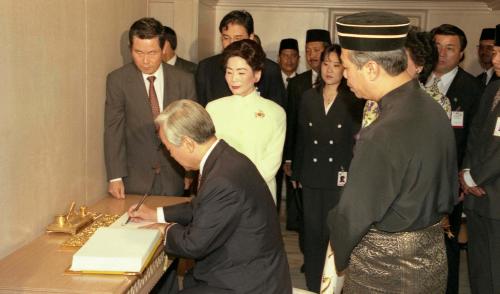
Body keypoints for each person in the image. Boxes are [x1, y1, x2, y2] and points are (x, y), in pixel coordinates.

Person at [328, 12, 458, 293]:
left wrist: (335, 243)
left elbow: (353, 216)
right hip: (431, 257)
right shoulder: (432, 107)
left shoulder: (381, 132)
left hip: (386, 270)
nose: (344, 74)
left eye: (347, 66)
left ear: (372, 69)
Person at [128, 99, 292, 293]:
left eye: (169, 148)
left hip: (246, 284)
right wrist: (157, 214)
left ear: (188, 144)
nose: (170, 155)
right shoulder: (224, 158)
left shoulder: (222, 178)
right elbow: (200, 206)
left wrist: (165, 229)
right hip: (245, 270)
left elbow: (193, 245)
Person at [291, 44, 363, 292]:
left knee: (335, 235)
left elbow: (359, 141)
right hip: (311, 176)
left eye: (336, 64)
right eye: (325, 64)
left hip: (340, 177)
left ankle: (335, 286)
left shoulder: (354, 98)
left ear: (345, 68)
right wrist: (297, 172)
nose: (330, 70)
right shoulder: (309, 97)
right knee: (312, 235)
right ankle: (313, 285)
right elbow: (301, 136)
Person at [104, 17, 196, 199]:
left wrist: (189, 171)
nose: (145, 60)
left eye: (152, 53)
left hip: (174, 173)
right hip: (134, 176)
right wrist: (115, 176)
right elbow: (113, 129)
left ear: (163, 49)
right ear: (130, 49)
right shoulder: (118, 80)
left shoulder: (184, 80)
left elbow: (190, 129)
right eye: (139, 52)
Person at [426, 23, 484, 293]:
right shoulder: (416, 80)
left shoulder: (473, 89)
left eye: (450, 48)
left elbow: (475, 140)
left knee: (446, 247)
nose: (442, 53)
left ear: (461, 53)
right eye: (437, 46)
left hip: (451, 184)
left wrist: (464, 175)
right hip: (414, 180)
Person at [206, 39, 286, 204]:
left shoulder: (275, 112)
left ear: (257, 75)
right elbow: (207, 155)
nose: (233, 78)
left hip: (258, 194)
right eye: (229, 72)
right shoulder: (213, 108)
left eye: (241, 72)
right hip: (219, 194)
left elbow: (271, 163)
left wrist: (239, 186)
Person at [460, 23, 500, 294]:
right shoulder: (492, 88)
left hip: (496, 196)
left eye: (499, 53)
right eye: (494, 52)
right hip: (477, 197)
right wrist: (465, 172)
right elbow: (474, 135)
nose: (494, 59)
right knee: (479, 270)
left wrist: (474, 177)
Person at [362, 27, 452, 128]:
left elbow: (439, 140)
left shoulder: (438, 101)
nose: (395, 63)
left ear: (419, 66)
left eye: (402, 59)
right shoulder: (375, 101)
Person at [196, 10, 286, 107]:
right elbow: (200, 112)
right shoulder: (206, 68)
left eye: (238, 38)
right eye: (226, 38)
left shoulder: (269, 69)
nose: (231, 43)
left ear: (251, 37)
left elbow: (276, 110)